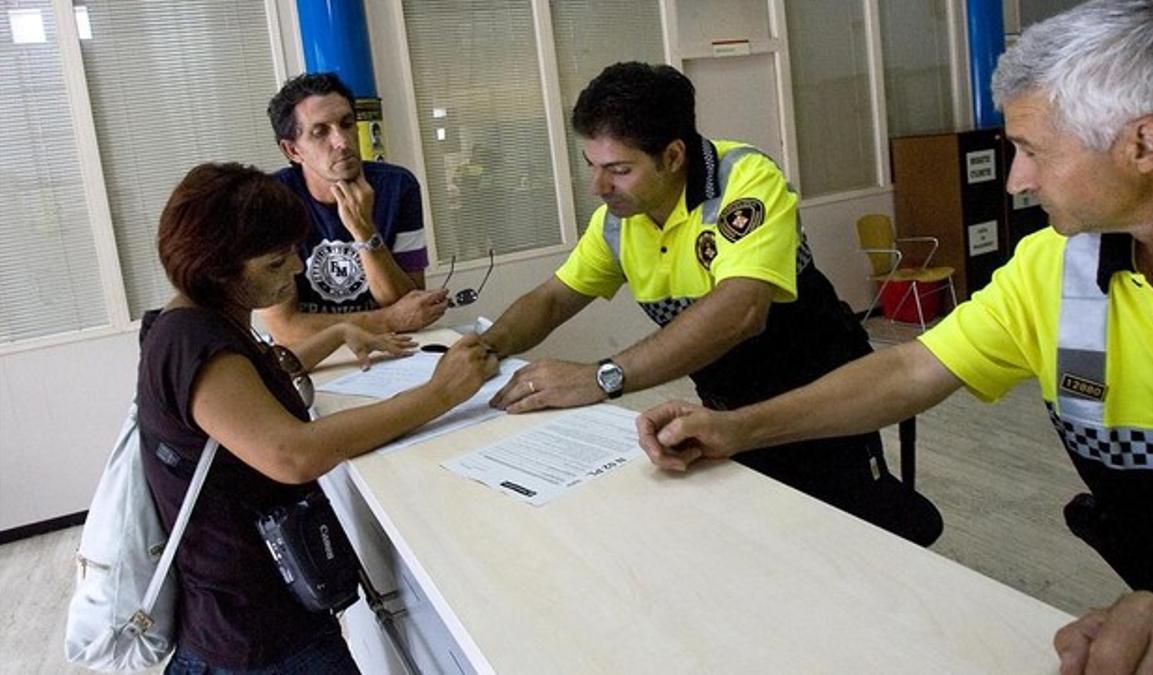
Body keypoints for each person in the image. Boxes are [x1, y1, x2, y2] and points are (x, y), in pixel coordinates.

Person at [637, 1, 1153, 671]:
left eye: (1031, 150)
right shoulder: (1056, 265)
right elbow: (910, 372)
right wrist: (738, 428)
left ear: (1144, 145)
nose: (1018, 179)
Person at [480, 62, 941, 545]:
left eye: (619, 170)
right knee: (762, 538)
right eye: (591, 166)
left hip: (821, 405)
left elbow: (741, 311)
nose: (599, 187)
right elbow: (553, 299)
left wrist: (601, 377)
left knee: (844, 539)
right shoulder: (620, 220)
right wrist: (484, 349)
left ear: (674, 155)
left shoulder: (743, 181)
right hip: (725, 411)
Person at [139, 162, 497, 673]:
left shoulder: (194, 321)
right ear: (219, 270)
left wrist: (334, 335)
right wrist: (441, 392)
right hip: (253, 637)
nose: (296, 270)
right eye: (273, 262)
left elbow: (252, 388)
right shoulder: (192, 344)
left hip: (260, 615)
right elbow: (292, 453)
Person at [263, 72, 449, 346]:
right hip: (316, 356)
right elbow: (286, 327)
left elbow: (410, 305)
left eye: (347, 124)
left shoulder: (398, 187)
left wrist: (365, 232)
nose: (342, 141)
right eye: (320, 132)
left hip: (395, 348)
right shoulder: (270, 201)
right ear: (292, 151)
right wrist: (388, 320)